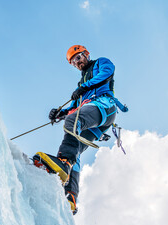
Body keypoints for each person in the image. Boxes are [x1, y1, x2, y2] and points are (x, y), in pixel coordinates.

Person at [48, 45, 117, 214]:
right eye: (73, 62)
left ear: (86, 54)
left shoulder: (100, 63)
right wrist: (60, 113)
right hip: (93, 113)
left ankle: (64, 162)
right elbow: (74, 108)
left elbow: (107, 72)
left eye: (78, 58)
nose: (77, 63)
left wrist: (84, 87)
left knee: (73, 121)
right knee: (76, 146)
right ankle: (71, 195)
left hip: (104, 106)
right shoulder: (82, 83)